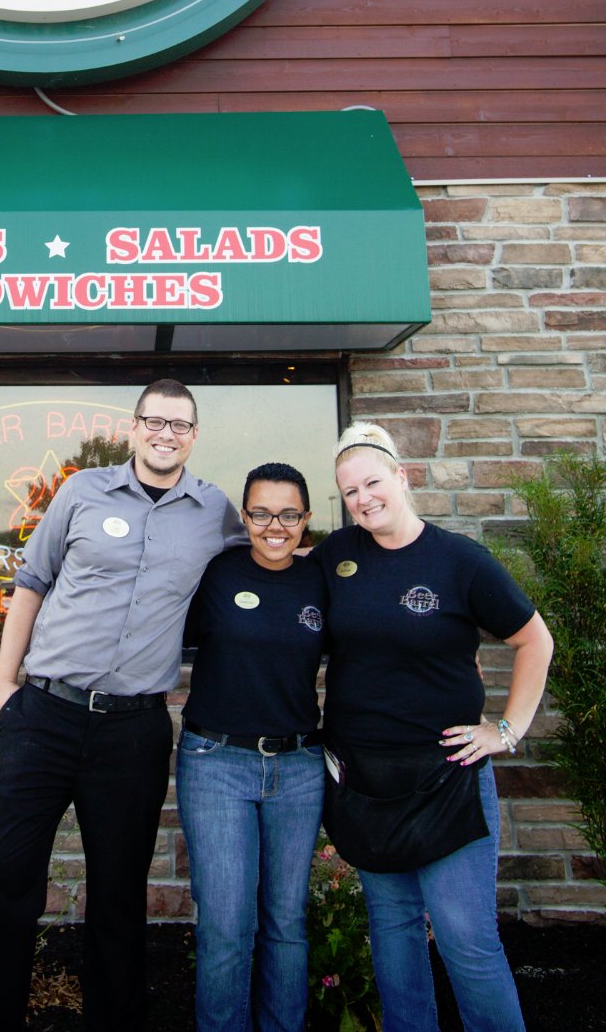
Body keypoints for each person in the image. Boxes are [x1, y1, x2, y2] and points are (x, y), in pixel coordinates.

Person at [0, 379, 244, 1032]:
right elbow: (31, 581)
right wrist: (4, 687)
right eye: (156, 421)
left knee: (119, 896)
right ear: (134, 427)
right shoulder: (81, 491)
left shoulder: (214, 510)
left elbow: (266, 560)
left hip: (133, 731)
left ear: (194, 436)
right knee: (4, 876)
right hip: (44, 717)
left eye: (180, 425)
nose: (166, 435)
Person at [317, 422, 554, 1032]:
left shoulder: (460, 561)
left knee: (465, 939)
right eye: (349, 491)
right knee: (393, 933)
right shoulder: (336, 556)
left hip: (447, 777)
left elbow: (535, 641)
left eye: (373, 482)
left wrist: (507, 729)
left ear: (402, 477)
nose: (363, 498)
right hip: (367, 781)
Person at [176, 461, 326, 1032]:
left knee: (287, 921)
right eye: (261, 514)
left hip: (300, 766)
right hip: (216, 763)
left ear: (306, 519)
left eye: (289, 515)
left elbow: (373, 640)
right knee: (226, 924)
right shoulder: (215, 573)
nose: (275, 527)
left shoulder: (322, 580)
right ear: (244, 517)